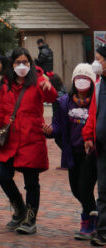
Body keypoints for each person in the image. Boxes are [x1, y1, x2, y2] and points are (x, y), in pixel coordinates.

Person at [0, 46, 58, 235]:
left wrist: (48, 88)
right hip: (10, 137)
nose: (21, 65)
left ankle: (30, 219)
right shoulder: (5, 84)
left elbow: (53, 97)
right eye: (18, 62)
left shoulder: (39, 80)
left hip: (31, 137)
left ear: (30, 63)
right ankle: (19, 207)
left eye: (25, 62)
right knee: (2, 174)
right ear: (12, 64)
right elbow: (0, 110)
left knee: (31, 182)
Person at [52, 62, 97, 240]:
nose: (81, 82)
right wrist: (50, 130)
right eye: (78, 78)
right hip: (72, 152)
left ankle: (88, 221)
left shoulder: (97, 101)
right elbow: (58, 126)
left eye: (85, 78)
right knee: (75, 189)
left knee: (85, 187)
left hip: (90, 153)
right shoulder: (65, 102)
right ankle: (96, 213)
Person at [82, 45, 106, 246]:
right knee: (104, 191)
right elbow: (92, 115)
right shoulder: (98, 86)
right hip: (102, 147)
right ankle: (103, 232)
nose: (97, 63)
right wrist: (88, 136)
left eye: (101, 59)